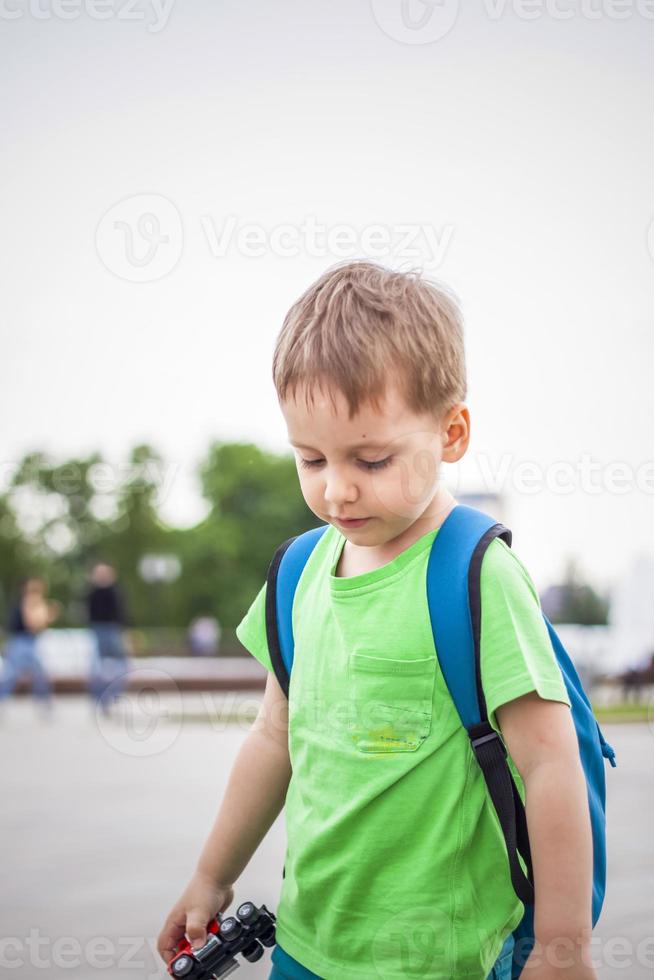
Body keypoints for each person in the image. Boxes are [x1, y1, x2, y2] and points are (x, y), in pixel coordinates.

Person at [157, 262, 596, 979]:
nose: (336, 489)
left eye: (371, 458)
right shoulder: (298, 573)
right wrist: (211, 877)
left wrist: (563, 948)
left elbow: (550, 766)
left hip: (439, 960)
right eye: (310, 459)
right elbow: (274, 738)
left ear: (451, 432)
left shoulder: (473, 574)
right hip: (305, 947)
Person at [0, 576, 60, 717]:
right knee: (15, 675)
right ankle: (45, 704)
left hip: (26, 641)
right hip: (22, 642)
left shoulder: (27, 601)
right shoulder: (30, 601)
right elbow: (32, 624)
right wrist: (49, 615)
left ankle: (45, 704)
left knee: (35, 675)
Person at [86, 561, 129, 716]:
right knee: (96, 670)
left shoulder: (115, 591)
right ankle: (99, 700)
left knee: (122, 668)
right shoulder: (92, 593)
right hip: (98, 631)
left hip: (114, 630)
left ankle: (112, 698)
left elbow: (121, 613)